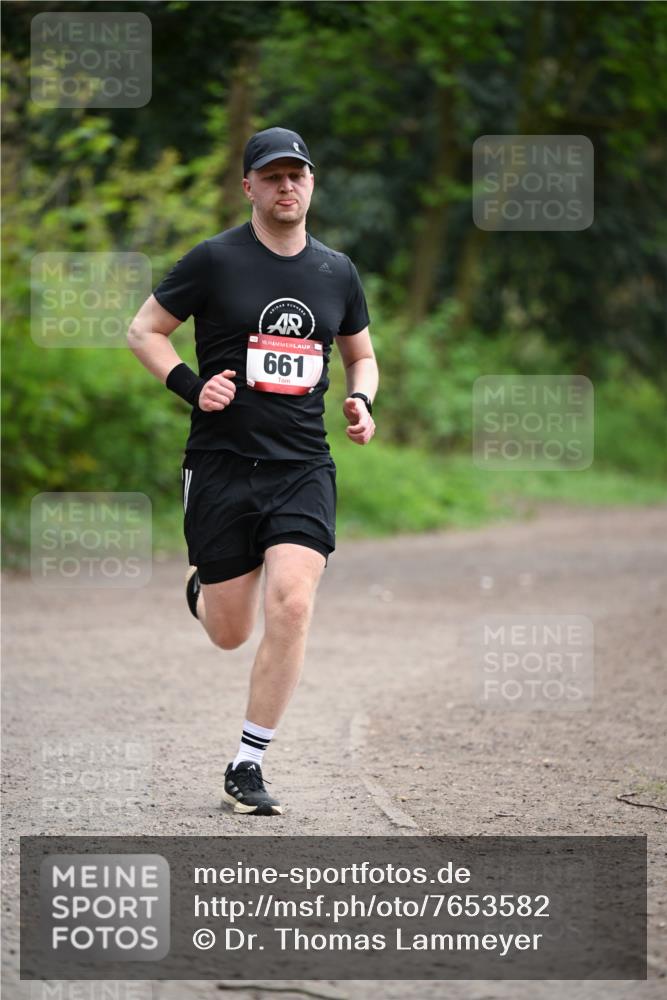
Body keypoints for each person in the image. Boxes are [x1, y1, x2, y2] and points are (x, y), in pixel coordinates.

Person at [127, 126, 378, 816]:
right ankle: (203, 591)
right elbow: (143, 329)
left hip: (302, 465)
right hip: (221, 463)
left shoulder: (336, 272)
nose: (286, 186)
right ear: (249, 187)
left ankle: (248, 760)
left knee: (293, 601)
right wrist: (188, 383)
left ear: (312, 184)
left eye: (297, 175)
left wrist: (360, 399)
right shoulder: (213, 260)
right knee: (230, 630)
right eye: (271, 177)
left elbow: (360, 354)